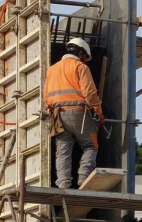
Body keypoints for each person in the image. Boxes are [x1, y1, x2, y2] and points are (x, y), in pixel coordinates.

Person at [43, 37, 105, 189]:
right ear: (81, 53)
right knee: (90, 146)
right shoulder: (80, 67)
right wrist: (98, 112)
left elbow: (46, 96)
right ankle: (84, 179)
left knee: (63, 151)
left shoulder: (52, 69)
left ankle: (63, 184)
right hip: (78, 113)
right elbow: (90, 93)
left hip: (57, 115)